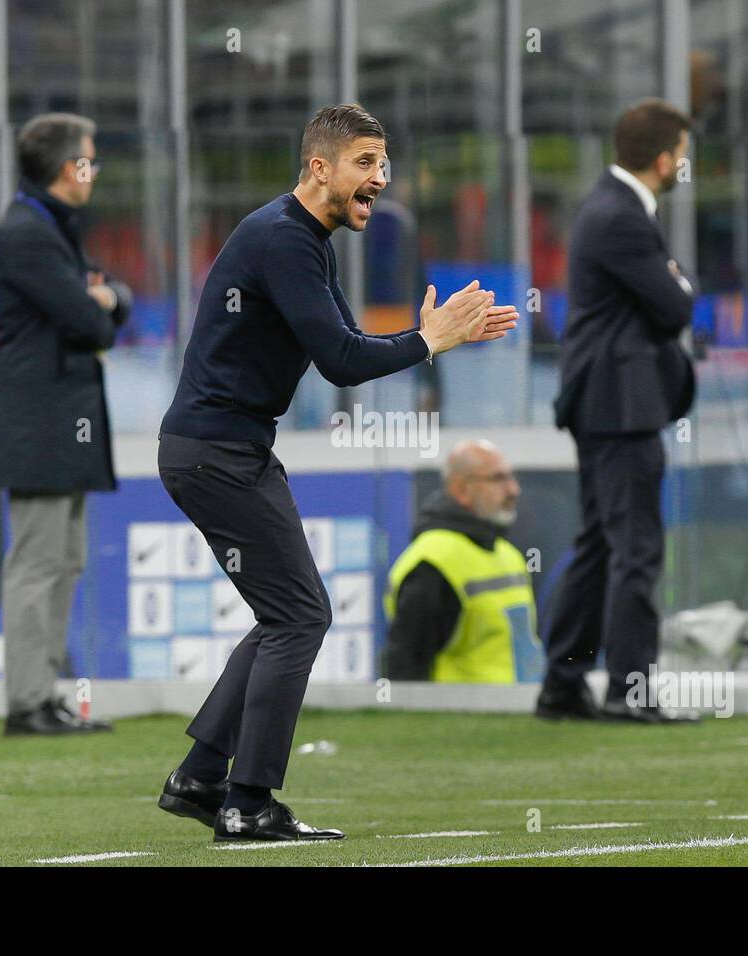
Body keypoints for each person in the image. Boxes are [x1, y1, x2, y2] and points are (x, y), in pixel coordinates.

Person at [154, 104, 518, 842]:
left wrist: (431, 337)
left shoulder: (299, 236)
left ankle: (200, 778)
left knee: (284, 614)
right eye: (364, 163)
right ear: (318, 167)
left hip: (222, 449)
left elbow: (346, 341)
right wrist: (430, 341)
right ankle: (247, 802)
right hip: (217, 453)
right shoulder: (287, 240)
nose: (379, 179)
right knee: (300, 615)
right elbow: (344, 362)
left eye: (383, 164)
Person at [537, 99, 698, 725]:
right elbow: (675, 305)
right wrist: (678, 280)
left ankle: (563, 683)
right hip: (621, 406)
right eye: (682, 155)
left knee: (602, 546)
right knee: (635, 548)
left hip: (602, 402)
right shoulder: (623, 216)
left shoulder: (608, 206)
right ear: (664, 159)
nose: (684, 165)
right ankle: (629, 689)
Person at [0, 113, 131, 736]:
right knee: (38, 562)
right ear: (71, 169)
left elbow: (109, 297)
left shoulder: (50, 227)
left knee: (63, 560)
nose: (93, 170)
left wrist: (106, 298)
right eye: (89, 159)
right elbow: (90, 318)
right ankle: (27, 701)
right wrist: (102, 301)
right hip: (38, 424)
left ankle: (45, 694)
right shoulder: (29, 233)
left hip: (58, 422)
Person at [383, 440, 542, 684]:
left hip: (516, 713)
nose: (513, 490)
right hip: (462, 717)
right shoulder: (432, 564)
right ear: (461, 489)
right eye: (498, 479)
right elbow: (405, 668)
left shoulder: (507, 553)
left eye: (512, 477)